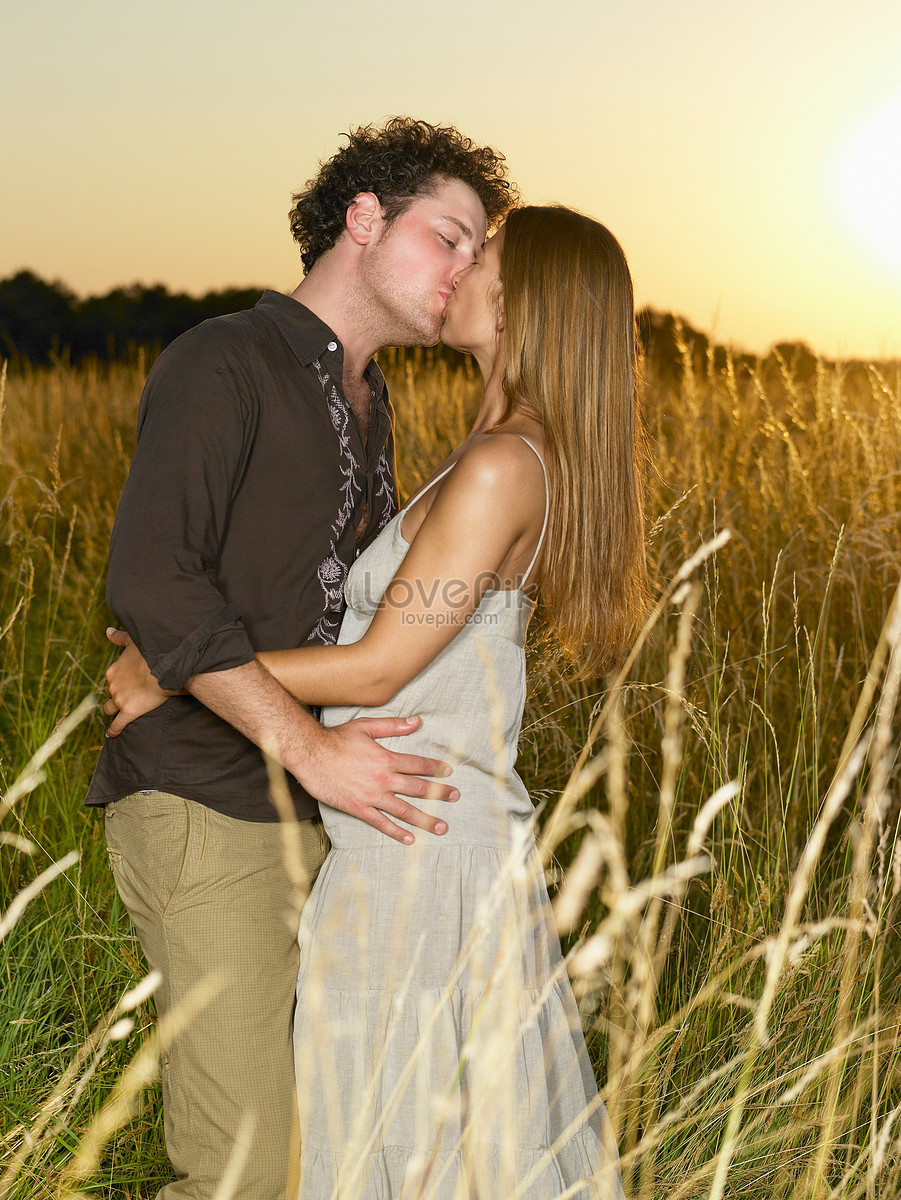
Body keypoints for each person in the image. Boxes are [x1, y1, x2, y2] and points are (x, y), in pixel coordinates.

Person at [106, 204, 646, 1197]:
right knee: (417, 1131)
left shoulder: (497, 467)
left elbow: (376, 669)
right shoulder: (491, 453)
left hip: (415, 836)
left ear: (529, 300)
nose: (463, 268)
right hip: (412, 823)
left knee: (385, 1130)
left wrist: (175, 669)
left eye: (484, 254)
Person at [89, 117, 516, 1200]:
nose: (465, 269)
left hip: (320, 825)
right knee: (243, 1174)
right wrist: (308, 749)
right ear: (362, 219)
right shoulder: (224, 357)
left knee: (331, 1151)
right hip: (206, 798)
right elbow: (153, 582)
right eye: (450, 236)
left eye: (479, 250)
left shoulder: (372, 404)